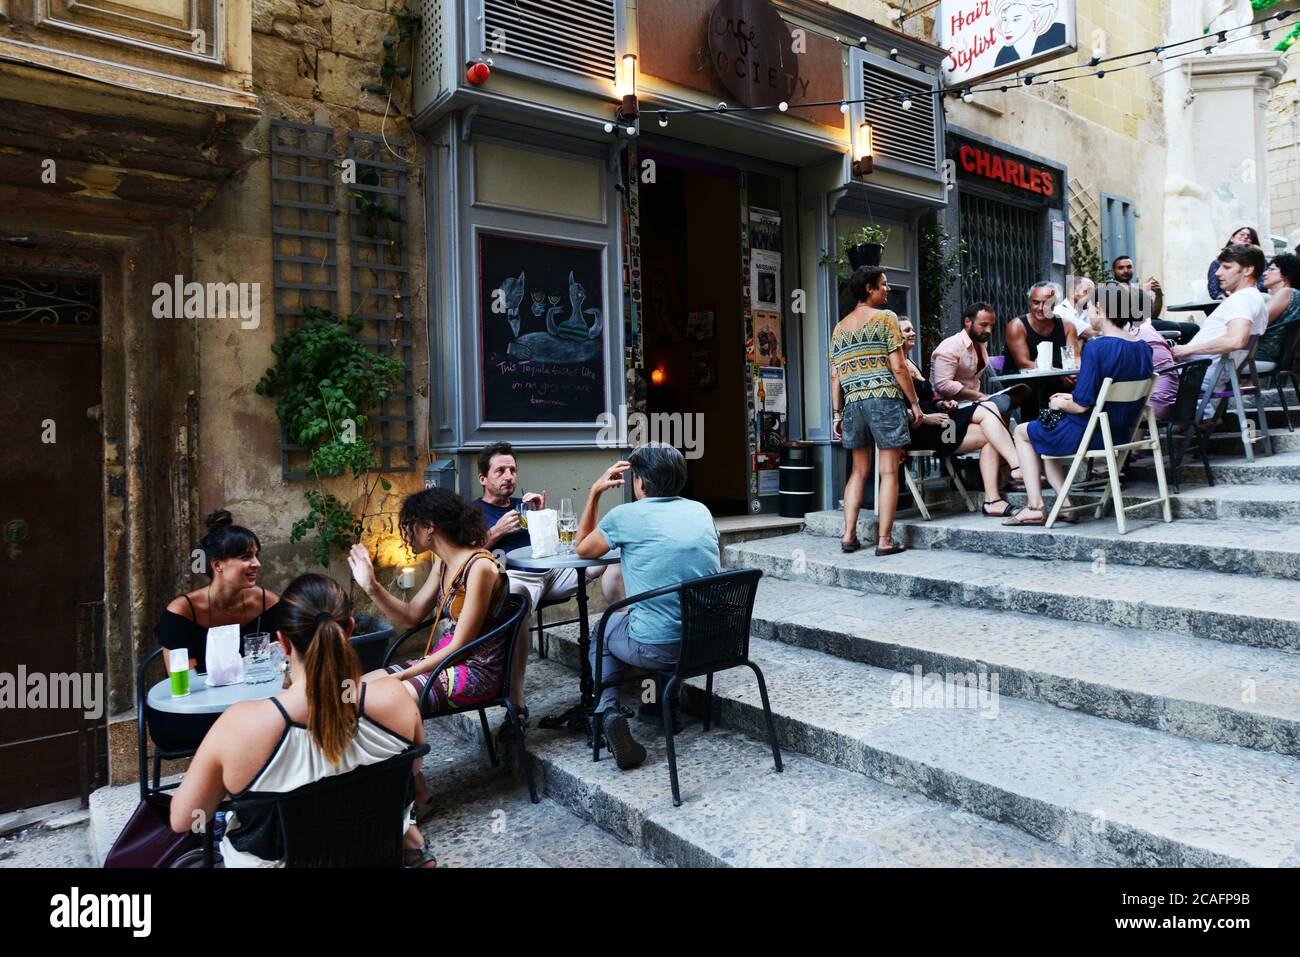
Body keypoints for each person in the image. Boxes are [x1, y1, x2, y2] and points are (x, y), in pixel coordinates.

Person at [169, 574, 435, 868]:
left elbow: (184, 819)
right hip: (373, 856)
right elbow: (412, 768)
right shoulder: (395, 697)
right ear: (350, 629)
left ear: (281, 641)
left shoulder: (239, 727)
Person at [574, 444, 720, 771]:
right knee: (666, 616)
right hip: (710, 644)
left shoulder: (626, 516)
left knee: (605, 629)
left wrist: (595, 492)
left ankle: (607, 713)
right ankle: (659, 706)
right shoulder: (701, 511)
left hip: (660, 647)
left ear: (640, 482)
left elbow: (582, 548)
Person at [470, 441, 612, 711]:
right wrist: (497, 531)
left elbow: (559, 544)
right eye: (500, 471)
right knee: (518, 604)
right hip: (517, 578)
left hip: (552, 573)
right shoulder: (473, 513)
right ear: (482, 478)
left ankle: (614, 656)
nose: (509, 476)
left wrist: (542, 516)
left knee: (602, 560)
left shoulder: (523, 504)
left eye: (512, 470)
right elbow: (465, 556)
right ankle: (517, 702)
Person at [1005, 283, 1154, 526]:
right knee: (1043, 426)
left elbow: (1082, 404)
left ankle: (1035, 506)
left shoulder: (1097, 347)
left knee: (1023, 431)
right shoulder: (1143, 348)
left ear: (1101, 308)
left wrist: (1063, 402)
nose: (1088, 313)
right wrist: (1067, 401)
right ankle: (1064, 504)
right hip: (1121, 432)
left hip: (1090, 430)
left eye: (1091, 308)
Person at [153, 510, 281, 753]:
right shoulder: (182, 611)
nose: (257, 564)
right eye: (246, 557)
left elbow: (283, 662)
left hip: (256, 703)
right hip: (199, 711)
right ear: (217, 565)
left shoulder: (268, 602)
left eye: (256, 555)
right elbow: (184, 682)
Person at [829, 266, 923, 556]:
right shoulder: (886, 318)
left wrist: (837, 413)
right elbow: (898, 366)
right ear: (869, 288)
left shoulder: (840, 328)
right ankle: (884, 541)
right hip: (884, 399)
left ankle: (848, 536)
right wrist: (915, 403)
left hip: (853, 403)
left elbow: (835, 375)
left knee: (858, 471)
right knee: (888, 471)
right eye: (883, 285)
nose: (888, 289)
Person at [898, 318, 1022, 517]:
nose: (912, 333)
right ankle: (1017, 465)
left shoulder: (910, 362)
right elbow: (897, 410)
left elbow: (927, 400)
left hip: (943, 426)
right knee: (987, 406)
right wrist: (927, 417)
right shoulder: (893, 367)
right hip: (926, 433)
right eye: (906, 331)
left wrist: (942, 404)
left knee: (989, 434)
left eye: (912, 329)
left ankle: (993, 500)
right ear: (894, 336)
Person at [1172, 243, 1270, 412]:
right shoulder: (1254, 298)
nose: (1218, 273)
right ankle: (1203, 416)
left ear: (1247, 270)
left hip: (1193, 377)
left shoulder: (1242, 300)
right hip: (1202, 374)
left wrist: (1185, 350)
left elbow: (1236, 340)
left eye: (1226, 267)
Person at [1003, 280, 1080, 421]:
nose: (1040, 307)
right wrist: (1060, 374)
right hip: (1025, 382)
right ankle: (1035, 431)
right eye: (1036, 302)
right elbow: (1024, 363)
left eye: (1047, 303)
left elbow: (1073, 358)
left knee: (1081, 384)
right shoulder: (1017, 326)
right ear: (1029, 302)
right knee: (1037, 385)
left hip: (1059, 380)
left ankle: (1073, 431)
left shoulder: (1067, 326)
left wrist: (1072, 374)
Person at [1257, 252, 1300, 369]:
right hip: (1277, 356)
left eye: (1271, 269)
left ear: (1285, 274)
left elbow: (1259, 324)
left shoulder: (1286, 292)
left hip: (1261, 355)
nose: (1264, 273)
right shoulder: (1294, 294)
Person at [1208, 227, 1267, 299]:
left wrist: (1243, 294)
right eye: (1242, 234)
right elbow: (1213, 289)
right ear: (1232, 238)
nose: (1245, 237)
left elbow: (1263, 282)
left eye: (1249, 236)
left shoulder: (1260, 261)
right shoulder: (1216, 263)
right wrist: (1223, 297)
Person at [1054, 276, 1096, 341]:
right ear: (1072, 293)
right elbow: (1090, 332)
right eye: (1087, 291)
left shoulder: (1085, 313)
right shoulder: (1061, 311)